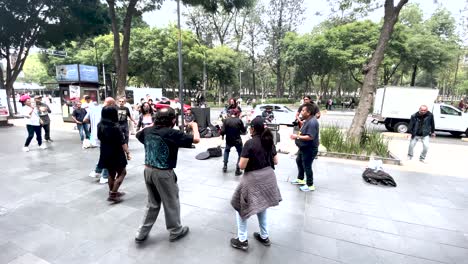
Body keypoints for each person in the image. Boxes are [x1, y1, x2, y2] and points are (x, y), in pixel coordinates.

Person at [134, 107, 200, 243]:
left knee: (152, 203)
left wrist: (153, 124)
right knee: (171, 202)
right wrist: (195, 126)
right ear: (173, 120)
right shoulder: (172, 133)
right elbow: (196, 140)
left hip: (147, 170)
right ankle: (175, 231)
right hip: (163, 173)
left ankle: (141, 233)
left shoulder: (147, 131)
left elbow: (138, 134)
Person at [230, 116, 282, 251]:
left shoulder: (250, 143)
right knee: (262, 205)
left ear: (252, 129)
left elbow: (241, 166)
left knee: (241, 207)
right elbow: (276, 161)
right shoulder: (269, 141)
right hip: (269, 177)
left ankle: (242, 240)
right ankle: (264, 236)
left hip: (253, 179)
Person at [98, 106, 131, 203]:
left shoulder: (100, 126)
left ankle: (112, 192)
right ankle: (113, 194)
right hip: (116, 153)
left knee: (111, 173)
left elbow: (100, 138)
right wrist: (128, 152)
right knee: (122, 172)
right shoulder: (116, 127)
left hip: (105, 152)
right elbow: (123, 142)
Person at [290, 103, 320, 192]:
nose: (301, 112)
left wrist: (297, 137)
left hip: (309, 148)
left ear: (309, 112)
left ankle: (310, 185)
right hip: (303, 147)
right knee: (299, 161)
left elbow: (310, 137)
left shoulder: (312, 122)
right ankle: (300, 179)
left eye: (303, 111)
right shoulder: (307, 120)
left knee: (307, 165)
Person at [85, 97, 115, 184]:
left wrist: (93, 125)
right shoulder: (107, 111)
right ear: (111, 104)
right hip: (106, 136)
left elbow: (85, 120)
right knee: (108, 156)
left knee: (104, 154)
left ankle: (97, 171)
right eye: (113, 104)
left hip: (96, 135)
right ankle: (104, 176)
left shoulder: (93, 109)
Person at [221, 108, 246, 175]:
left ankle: (225, 166)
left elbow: (222, 131)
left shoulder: (226, 120)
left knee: (226, 151)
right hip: (237, 140)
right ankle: (237, 169)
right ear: (237, 114)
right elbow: (244, 131)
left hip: (229, 140)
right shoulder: (239, 121)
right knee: (240, 153)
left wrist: (223, 135)